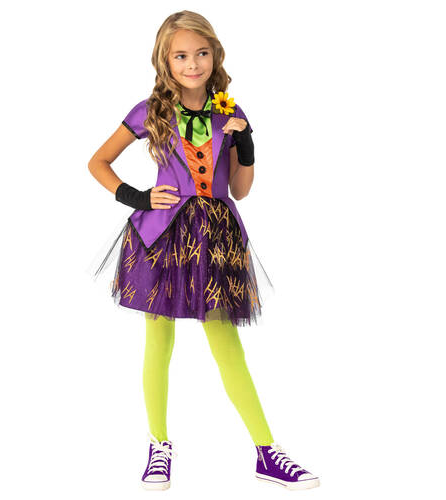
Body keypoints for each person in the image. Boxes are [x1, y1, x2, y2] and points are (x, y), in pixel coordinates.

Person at [87, 10, 320, 492]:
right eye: (180, 56)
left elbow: (240, 189)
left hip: (215, 238)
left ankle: (266, 451)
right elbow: (98, 161)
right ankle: (158, 446)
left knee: (225, 340)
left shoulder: (229, 113)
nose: (192, 64)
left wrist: (245, 142)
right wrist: (138, 197)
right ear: (165, 61)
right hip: (162, 236)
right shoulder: (150, 112)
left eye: (201, 53)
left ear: (215, 56)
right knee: (159, 339)